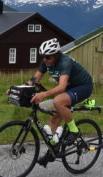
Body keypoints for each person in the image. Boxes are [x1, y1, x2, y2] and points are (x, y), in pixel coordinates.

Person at [28, 38, 94, 166]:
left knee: (58, 102)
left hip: (83, 86)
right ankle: (53, 151)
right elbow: (33, 80)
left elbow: (62, 87)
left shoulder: (65, 62)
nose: (45, 60)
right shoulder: (46, 62)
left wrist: (44, 94)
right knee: (54, 117)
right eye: (43, 57)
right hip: (70, 87)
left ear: (56, 55)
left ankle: (74, 131)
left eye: (48, 57)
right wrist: (19, 89)